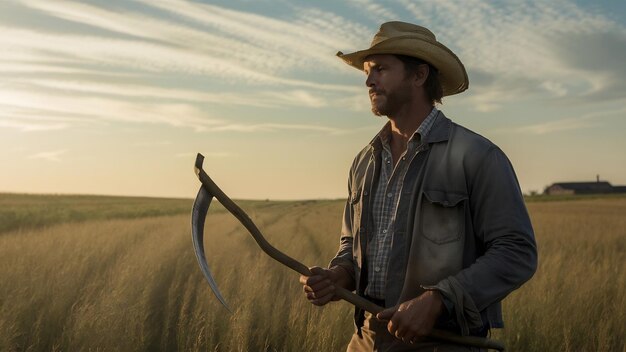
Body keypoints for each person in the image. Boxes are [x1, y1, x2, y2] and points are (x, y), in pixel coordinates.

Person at [298, 21, 538, 351]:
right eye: (367, 71)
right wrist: (338, 275)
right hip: (365, 340)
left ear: (419, 75)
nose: (368, 80)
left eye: (380, 69)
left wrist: (439, 300)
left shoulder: (478, 156)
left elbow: (516, 252)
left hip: (443, 343)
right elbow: (351, 244)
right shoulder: (363, 162)